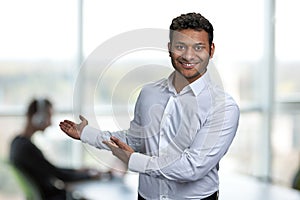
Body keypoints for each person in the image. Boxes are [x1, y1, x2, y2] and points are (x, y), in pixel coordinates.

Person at [60, 12, 240, 200]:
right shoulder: (149, 93)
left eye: (198, 47)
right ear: (169, 48)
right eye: (180, 46)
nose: (188, 55)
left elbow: (192, 167)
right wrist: (88, 134)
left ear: (211, 51)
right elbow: (136, 139)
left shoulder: (224, 107)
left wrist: (134, 161)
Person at [10, 98, 104, 200]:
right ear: (38, 117)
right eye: (49, 116)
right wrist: (89, 176)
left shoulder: (17, 142)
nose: (50, 123)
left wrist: (77, 171)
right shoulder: (27, 148)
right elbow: (59, 175)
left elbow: (50, 169)